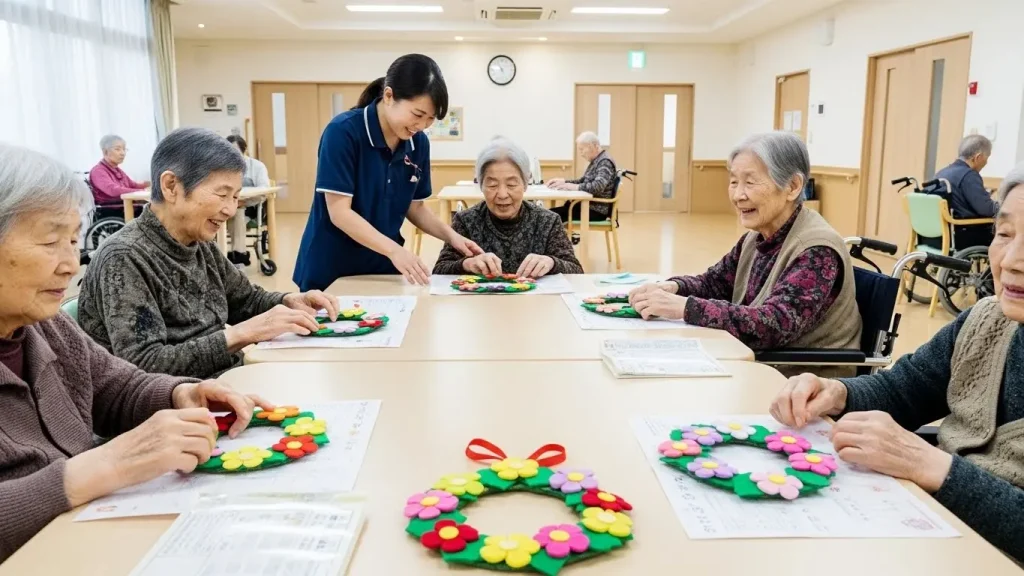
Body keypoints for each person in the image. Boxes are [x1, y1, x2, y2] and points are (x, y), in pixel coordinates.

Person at [0, 143, 273, 562]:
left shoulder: (43, 325)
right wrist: (96, 468)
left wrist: (181, 394)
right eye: (51, 241)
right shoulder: (122, 258)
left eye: (74, 240)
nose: (71, 264)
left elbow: (116, 384)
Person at [768, 163, 1024, 563]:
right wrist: (836, 392)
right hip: (929, 530)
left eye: (751, 180)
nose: (1011, 260)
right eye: (1004, 234)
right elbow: (905, 389)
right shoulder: (986, 318)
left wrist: (932, 465)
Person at [79, 127, 338, 379]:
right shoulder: (124, 256)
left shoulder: (198, 241)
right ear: (171, 186)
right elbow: (144, 366)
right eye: (222, 194)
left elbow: (245, 301)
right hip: (176, 408)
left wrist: (290, 300)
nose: (230, 210)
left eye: (235, 197)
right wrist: (240, 335)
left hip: (223, 383)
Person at [629, 132, 861, 375]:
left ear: (792, 186)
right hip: (759, 366)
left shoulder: (817, 250)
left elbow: (774, 325)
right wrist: (673, 288)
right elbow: (714, 283)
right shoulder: (757, 237)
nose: (738, 195)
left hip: (802, 384)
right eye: (733, 182)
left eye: (750, 183)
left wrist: (685, 307)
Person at [293, 54, 482, 290]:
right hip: (332, 267)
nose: (421, 126)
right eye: (417, 115)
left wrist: (453, 237)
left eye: (430, 119)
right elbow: (339, 212)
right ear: (389, 96)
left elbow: (416, 207)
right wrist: (396, 251)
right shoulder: (343, 132)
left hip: (382, 266)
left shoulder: (418, 143)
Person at [433, 137, 583, 277]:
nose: (502, 194)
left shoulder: (547, 221)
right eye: (492, 185)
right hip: (480, 304)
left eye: (511, 184)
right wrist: (466, 264)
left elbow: (576, 272)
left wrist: (552, 262)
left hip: (534, 304)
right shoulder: (466, 221)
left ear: (525, 184)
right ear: (480, 185)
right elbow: (439, 271)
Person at [930, 134, 998, 249]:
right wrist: (1004, 206)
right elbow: (986, 209)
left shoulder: (942, 173)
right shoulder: (969, 175)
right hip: (962, 235)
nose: (986, 162)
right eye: (987, 157)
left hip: (936, 235)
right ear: (978, 157)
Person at [548, 131, 617, 224]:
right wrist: (564, 182)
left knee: (551, 216)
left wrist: (572, 186)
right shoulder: (597, 160)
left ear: (593, 146)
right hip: (587, 206)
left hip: (596, 210)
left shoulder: (604, 162)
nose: (581, 153)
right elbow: (583, 181)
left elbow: (598, 186)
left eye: (582, 149)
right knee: (550, 213)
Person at [224, 135, 271, 268]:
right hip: (225, 207)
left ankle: (238, 256)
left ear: (244, 151)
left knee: (237, 212)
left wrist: (243, 202)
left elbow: (264, 190)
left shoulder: (257, 166)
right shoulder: (221, 168)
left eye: (235, 151)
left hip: (250, 208)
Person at [88, 134, 150, 206]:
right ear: (105, 152)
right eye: (117, 149)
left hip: (126, 206)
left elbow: (133, 185)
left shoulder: (117, 170)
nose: (123, 153)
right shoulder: (98, 171)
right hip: (112, 210)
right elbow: (113, 190)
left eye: (124, 149)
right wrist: (143, 191)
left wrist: (151, 184)